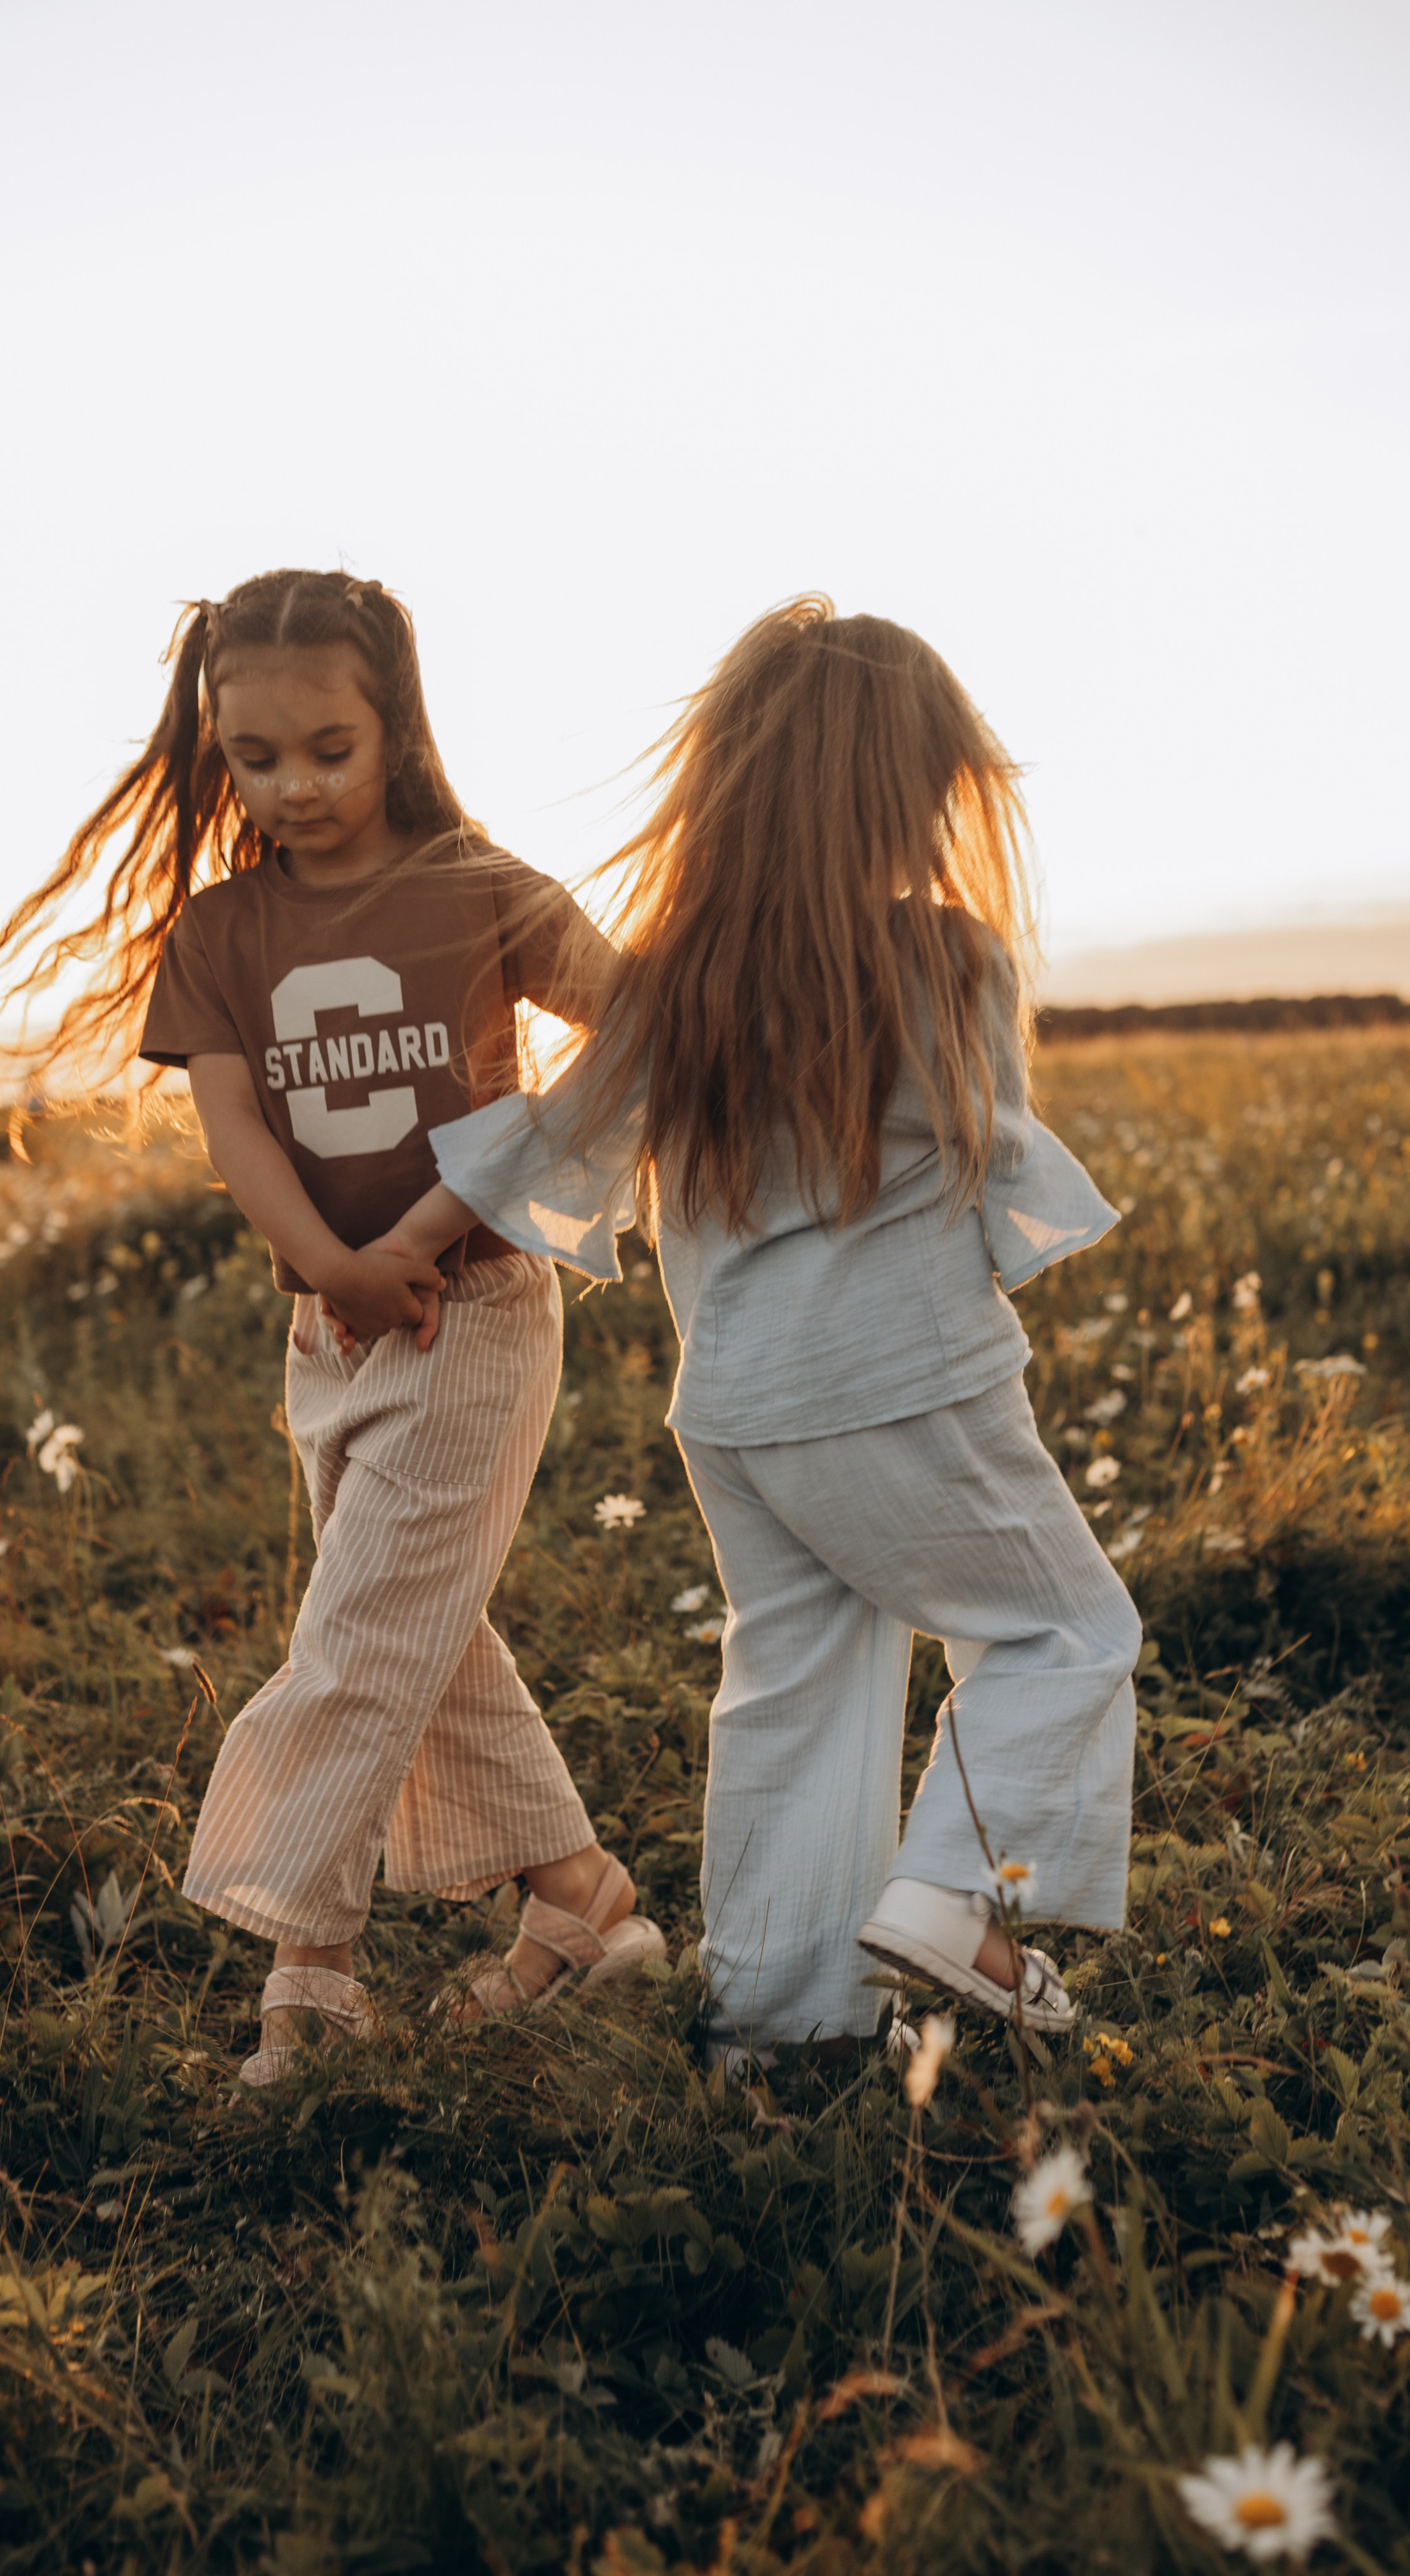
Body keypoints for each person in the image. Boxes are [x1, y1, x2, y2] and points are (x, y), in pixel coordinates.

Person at [354, 596, 1141, 2062]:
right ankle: (953, 1899)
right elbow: (998, 1163)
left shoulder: (680, 983)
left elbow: (550, 1137)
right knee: (1061, 1630)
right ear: (906, 805)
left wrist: (390, 1252)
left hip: (734, 1408)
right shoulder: (952, 963)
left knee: (802, 1670)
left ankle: (778, 2020)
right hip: (901, 1382)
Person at [0, 567, 663, 2082]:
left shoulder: (479, 885)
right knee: (417, 1629)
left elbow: (640, 1024)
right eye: (251, 758)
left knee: (351, 1639)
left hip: (471, 1315)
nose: (292, 788)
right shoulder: (220, 929)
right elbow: (240, 1134)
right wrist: (330, 1265)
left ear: (393, 724)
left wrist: (427, 1227)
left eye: (328, 748)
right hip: (329, 1337)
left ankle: (309, 1975)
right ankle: (584, 1905)